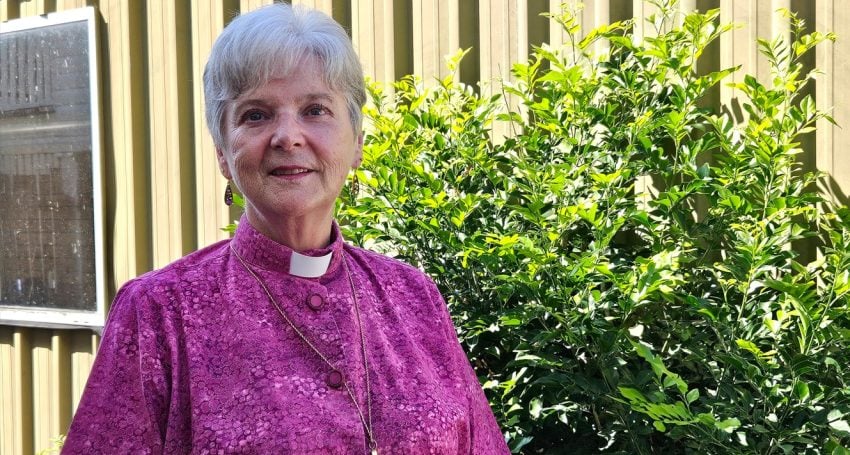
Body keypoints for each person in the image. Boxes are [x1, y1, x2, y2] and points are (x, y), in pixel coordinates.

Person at [62, 4, 509, 454]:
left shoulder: (415, 298)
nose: (287, 137)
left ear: (356, 142)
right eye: (256, 115)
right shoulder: (158, 314)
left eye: (315, 109)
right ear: (222, 153)